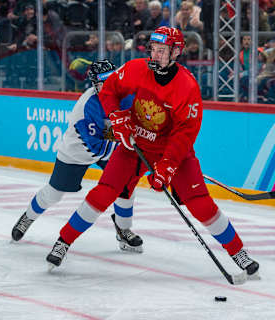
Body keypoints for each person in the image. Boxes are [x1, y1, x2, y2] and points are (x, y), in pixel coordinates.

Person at [45, 26, 260, 279]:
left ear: (176, 52)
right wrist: (117, 117)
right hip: (134, 147)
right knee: (103, 193)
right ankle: (63, 241)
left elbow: (184, 134)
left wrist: (167, 166)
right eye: (154, 50)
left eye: (162, 51)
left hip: (172, 152)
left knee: (200, 204)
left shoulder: (186, 87)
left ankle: (238, 252)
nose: (155, 55)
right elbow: (110, 89)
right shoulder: (137, 68)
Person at [11, 59, 144, 253]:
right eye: (102, 83)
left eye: (111, 80)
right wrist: (125, 139)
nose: (109, 86)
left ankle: (123, 229)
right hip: (77, 152)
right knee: (54, 193)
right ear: (94, 84)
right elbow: (95, 146)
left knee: (125, 186)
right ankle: (28, 216)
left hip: (111, 147)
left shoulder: (128, 95)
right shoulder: (86, 106)